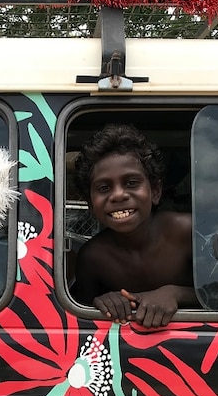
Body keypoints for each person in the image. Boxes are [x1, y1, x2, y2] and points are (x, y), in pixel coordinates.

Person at [70, 123, 196, 328]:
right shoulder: (92, 257)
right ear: (91, 204)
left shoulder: (186, 232)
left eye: (131, 183)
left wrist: (174, 293)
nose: (118, 194)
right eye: (104, 188)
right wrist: (103, 301)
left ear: (155, 191)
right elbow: (80, 322)